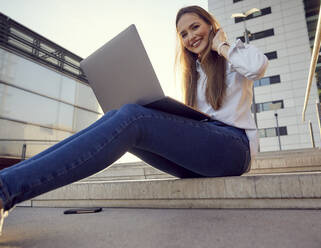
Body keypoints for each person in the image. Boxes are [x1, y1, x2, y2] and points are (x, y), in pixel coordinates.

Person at [0, 5, 268, 235]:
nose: (189, 37)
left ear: (212, 26)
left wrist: (222, 43)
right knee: (119, 116)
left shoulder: (232, 56)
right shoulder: (194, 74)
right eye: (183, 34)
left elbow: (258, 66)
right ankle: (4, 183)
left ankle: (5, 188)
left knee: (131, 117)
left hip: (234, 148)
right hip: (204, 153)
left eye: (195, 27)